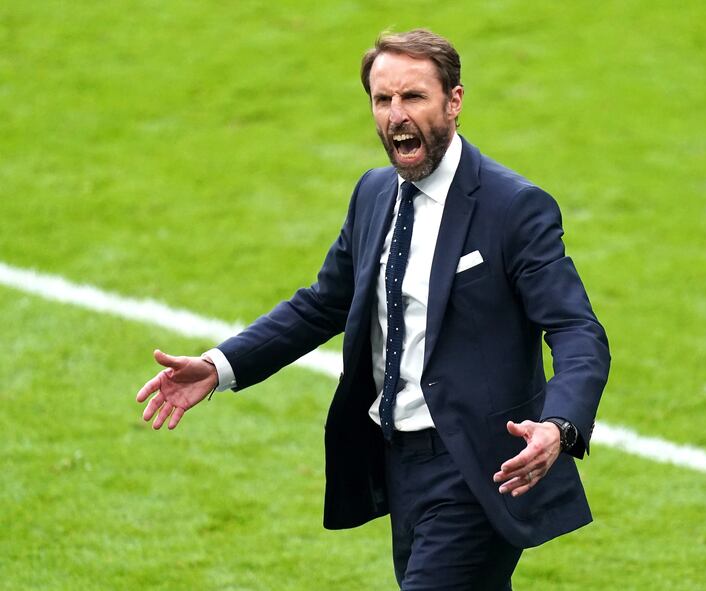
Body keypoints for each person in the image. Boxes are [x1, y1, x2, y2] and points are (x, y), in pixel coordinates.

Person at [136, 29, 610, 590]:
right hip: (398, 462)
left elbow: (577, 328)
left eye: (413, 97)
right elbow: (322, 304)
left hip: (480, 468)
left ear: (454, 102)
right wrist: (220, 366)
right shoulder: (374, 193)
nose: (395, 116)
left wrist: (559, 425)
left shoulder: (513, 207)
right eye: (383, 100)